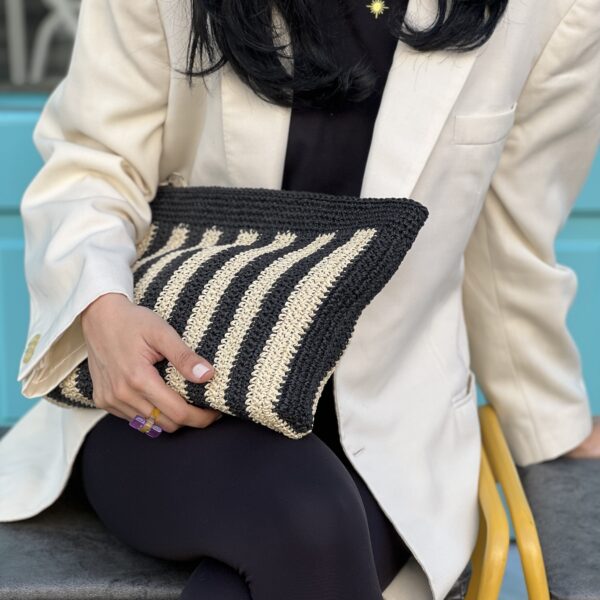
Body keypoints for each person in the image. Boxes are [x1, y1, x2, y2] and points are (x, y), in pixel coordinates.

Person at [1, 0, 599, 598]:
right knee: (307, 521)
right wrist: (101, 310)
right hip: (178, 386)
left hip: (390, 414)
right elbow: (96, 163)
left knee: (300, 536)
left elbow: (503, 241)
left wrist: (551, 422)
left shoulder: (556, 10)